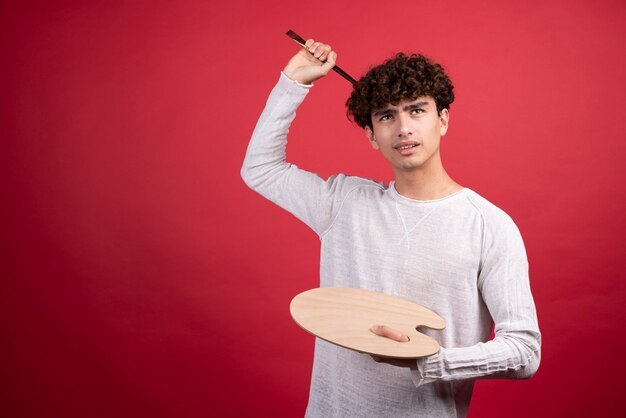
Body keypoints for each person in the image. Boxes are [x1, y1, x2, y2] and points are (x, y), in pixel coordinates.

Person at [241, 38, 541, 417]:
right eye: (386, 116)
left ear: (443, 119)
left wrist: (429, 362)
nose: (403, 127)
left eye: (417, 110)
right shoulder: (344, 203)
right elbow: (260, 169)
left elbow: (525, 351)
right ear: (371, 135)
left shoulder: (489, 225)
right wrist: (293, 82)